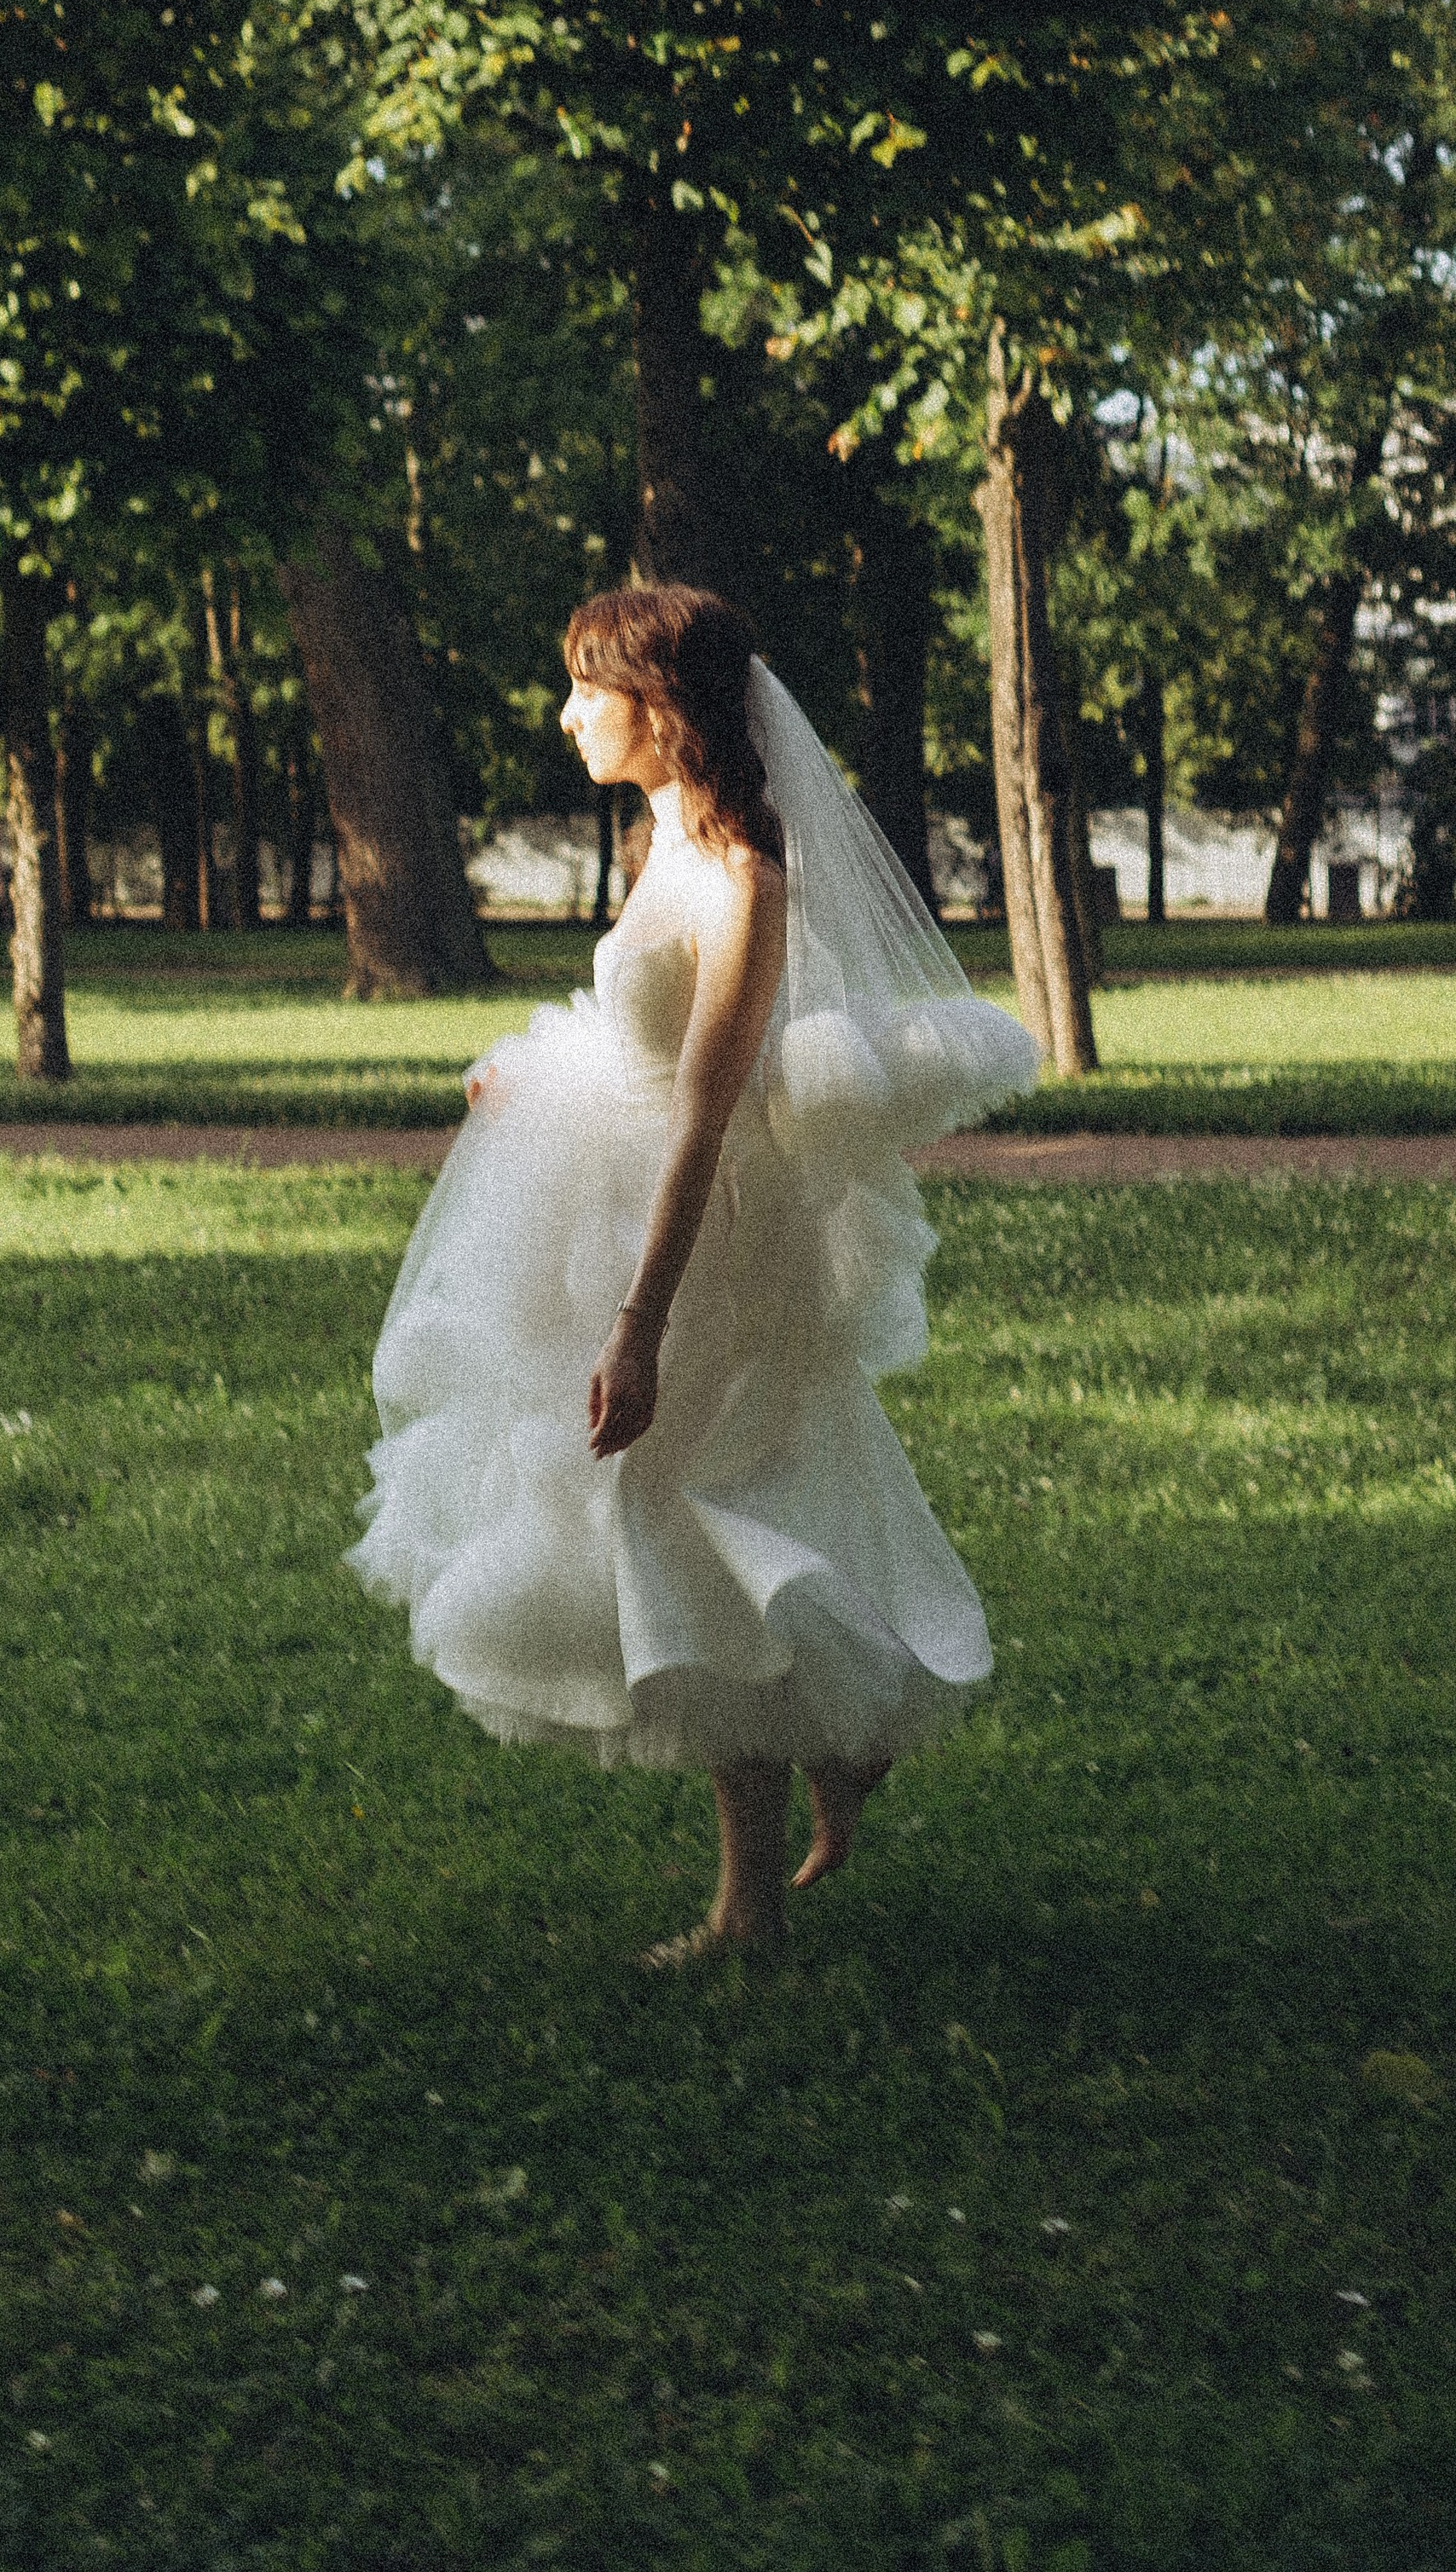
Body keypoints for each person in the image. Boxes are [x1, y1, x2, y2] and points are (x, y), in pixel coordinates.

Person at [347, 584, 1039, 1963]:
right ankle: (799, 1817)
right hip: (626, 1206)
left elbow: (707, 1117)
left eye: (586, 690)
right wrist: (534, 1079)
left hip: (704, 1241)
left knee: (690, 1513)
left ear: (660, 710)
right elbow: (642, 1043)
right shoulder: (665, 839)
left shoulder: (744, 882)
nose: (565, 715)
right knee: (695, 1517)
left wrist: (638, 1329)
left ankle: (783, 1845)